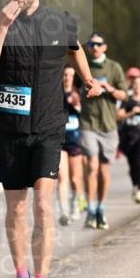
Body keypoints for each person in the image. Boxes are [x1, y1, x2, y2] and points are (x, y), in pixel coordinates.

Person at [0, 0, 98, 278]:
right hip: (9, 128)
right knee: (16, 208)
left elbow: (75, 48)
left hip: (48, 125)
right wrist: (2, 26)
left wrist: (88, 80)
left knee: (43, 204)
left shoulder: (60, 21)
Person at [78, 34, 127, 230]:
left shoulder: (114, 67)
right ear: (88, 47)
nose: (95, 47)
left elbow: (124, 94)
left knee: (104, 170)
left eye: (99, 44)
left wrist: (109, 88)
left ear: (105, 47)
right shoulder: (83, 66)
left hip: (108, 125)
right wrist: (74, 97)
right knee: (91, 165)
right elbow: (73, 88)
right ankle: (90, 209)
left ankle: (100, 207)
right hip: (88, 123)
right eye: (92, 44)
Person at [59, 65, 86, 225]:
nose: (67, 78)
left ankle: (75, 204)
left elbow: (86, 113)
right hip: (59, 139)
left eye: (70, 75)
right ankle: (63, 211)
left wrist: (77, 105)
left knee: (76, 179)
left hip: (75, 139)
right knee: (62, 177)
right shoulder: (55, 92)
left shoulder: (79, 93)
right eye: (65, 75)